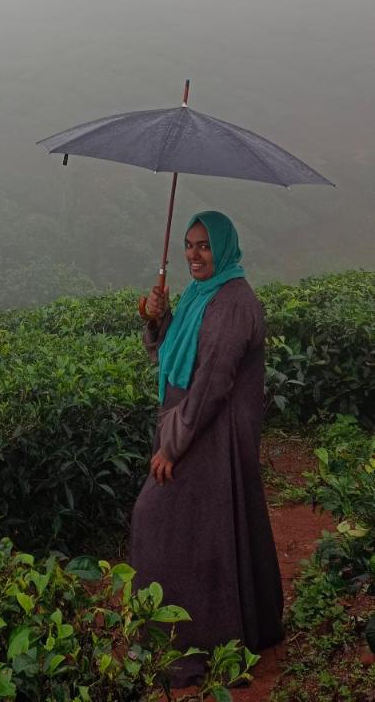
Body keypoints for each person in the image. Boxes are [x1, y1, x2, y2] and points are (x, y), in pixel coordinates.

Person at [130, 210, 284, 687]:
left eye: (204, 246)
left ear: (224, 249)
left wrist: (172, 446)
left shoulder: (233, 301)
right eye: (189, 245)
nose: (194, 255)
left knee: (156, 517)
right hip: (192, 425)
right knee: (208, 524)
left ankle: (193, 643)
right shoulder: (202, 295)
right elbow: (170, 356)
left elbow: (213, 382)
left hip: (212, 432)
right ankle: (230, 628)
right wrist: (159, 318)